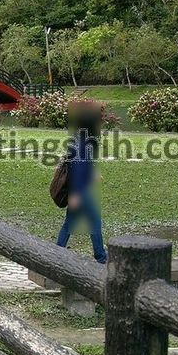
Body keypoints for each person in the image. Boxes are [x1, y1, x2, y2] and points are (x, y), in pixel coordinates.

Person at [56, 103, 107, 264]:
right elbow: (77, 168)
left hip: (79, 188)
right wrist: (76, 193)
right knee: (95, 221)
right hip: (80, 191)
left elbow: (80, 164)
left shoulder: (81, 138)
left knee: (69, 224)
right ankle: (101, 257)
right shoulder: (83, 142)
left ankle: (56, 253)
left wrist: (92, 173)